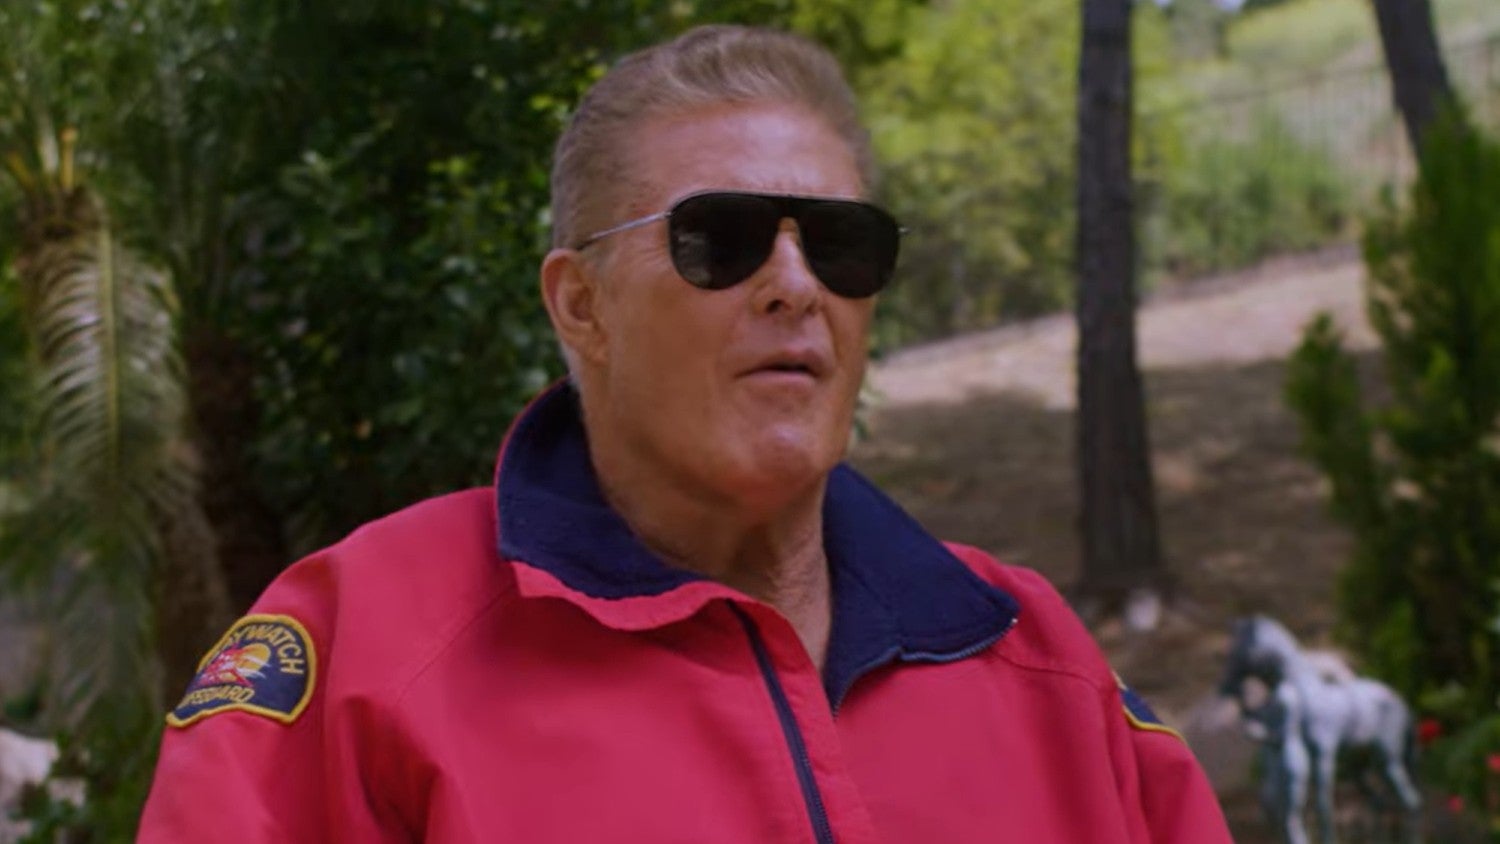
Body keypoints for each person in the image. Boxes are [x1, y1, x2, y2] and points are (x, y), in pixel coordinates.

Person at [138, 24, 1232, 842]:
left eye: (841, 245)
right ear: (581, 304)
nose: (796, 285)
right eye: (724, 238)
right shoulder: (369, 649)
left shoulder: (1037, 659)